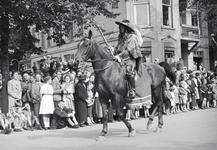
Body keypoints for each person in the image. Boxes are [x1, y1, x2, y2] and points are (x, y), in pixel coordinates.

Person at [113, 19, 143, 98]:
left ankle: (132, 90)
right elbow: (118, 48)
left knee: (129, 70)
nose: (119, 28)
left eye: (120, 27)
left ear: (125, 28)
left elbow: (129, 50)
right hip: (120, 59)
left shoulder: (132, 37)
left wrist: (118, 56)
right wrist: (113, 50)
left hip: (130, 59)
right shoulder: (121, 37)